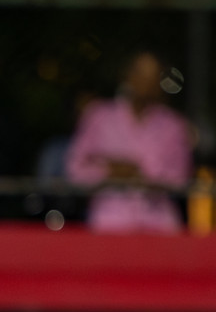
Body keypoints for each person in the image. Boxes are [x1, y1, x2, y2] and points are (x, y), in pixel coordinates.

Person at [64, 51, 192, 233]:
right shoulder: (99, 117)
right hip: (108, 223)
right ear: (127, 76)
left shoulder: (174, 125)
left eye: (152, 76)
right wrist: (109, 172)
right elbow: (76, 170)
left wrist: (140, 174)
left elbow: (180, 178)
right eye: (140, 74)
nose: (145, 83)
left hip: (159, 224)